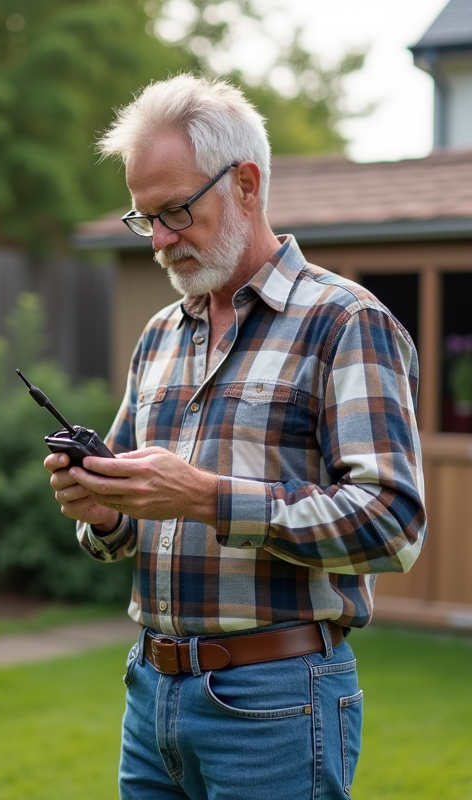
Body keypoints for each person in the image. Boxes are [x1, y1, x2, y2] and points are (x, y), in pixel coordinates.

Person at [44, 74, 426, 800]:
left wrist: (208, 496)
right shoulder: (161, 335)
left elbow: (394, 525)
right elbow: (132, 519)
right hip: (151, 692)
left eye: (175, 211)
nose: (158, 239)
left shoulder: (345, 322)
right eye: (144, 219)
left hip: (275, 702)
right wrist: (102, 510)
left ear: (246, 184)